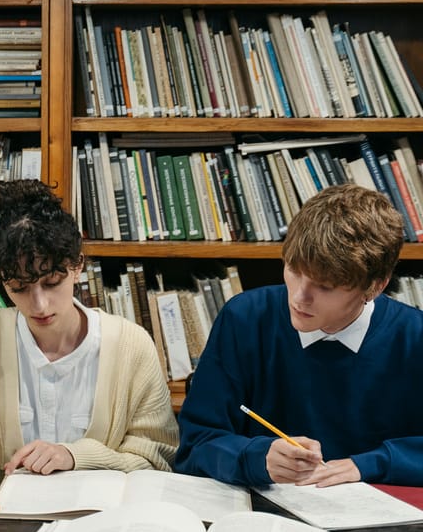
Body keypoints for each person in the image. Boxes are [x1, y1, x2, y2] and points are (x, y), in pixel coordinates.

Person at [0, 179, 178, 517]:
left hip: (100, 530)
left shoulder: (131, 345)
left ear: (77, 265)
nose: (39, 305)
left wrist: (75, 456)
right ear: (3, 280)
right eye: (19, 288)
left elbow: (156, 457)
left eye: (51, 283)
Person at [176, 183, 423, 488]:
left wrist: (371, 464)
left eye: (325, 286)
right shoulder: (244, 319)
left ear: (375, 287)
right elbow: (195, 446)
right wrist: (257, 457)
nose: (299, 298)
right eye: (293, 269)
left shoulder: (414, 338)